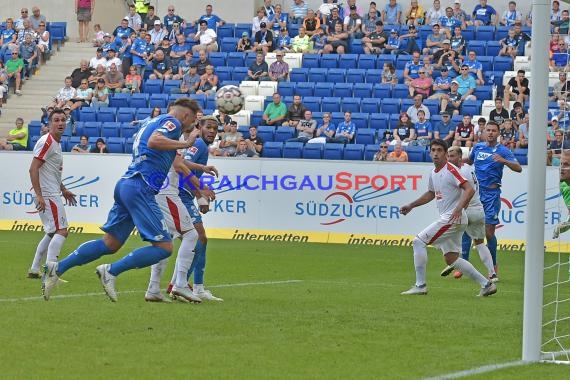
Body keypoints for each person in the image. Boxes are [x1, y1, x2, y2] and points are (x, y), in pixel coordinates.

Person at [41, 98, 202, 302]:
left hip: (127, 184)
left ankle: (57, 268)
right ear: (185, 115)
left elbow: (164, 151)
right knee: (164, 248)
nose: (192, 127)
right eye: (193, 121)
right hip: (141, 187)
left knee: (110, 243)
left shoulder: (152, 121)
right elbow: (154, 141)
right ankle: (111, 271)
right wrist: (187, 142)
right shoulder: (173, 123)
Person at [400, 139, 497, 297]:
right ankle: (486, 285)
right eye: (433, 150)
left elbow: (469, 189)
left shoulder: (450, 170)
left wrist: (458, 208)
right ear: (430, 152)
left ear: (445, 154)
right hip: (452, 218)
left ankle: (420, 285)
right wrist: (411, 205)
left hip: (453, 218)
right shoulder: (433, 172)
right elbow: (431, 193)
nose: (436, 153)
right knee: (451, 259)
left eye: (439, 150)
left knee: (418, 241)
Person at [147, 117, 217, 303]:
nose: (212, 131)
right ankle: (184, 285)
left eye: (215, 128)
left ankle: (158, 287)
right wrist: (201, 193)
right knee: (197, 237)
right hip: (176, 195)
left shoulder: (188, 142)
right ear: (197, 127)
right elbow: (181, 167)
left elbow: (182, 163)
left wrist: (202, 167)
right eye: (208, 127)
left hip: (168, 193)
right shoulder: (198, 144)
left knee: (166, 241)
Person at [466, 121, 522, 281]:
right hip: (475, 195)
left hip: (491, 194)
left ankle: (493, 267)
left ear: (498, 133)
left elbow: (518, 168)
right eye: (488, 130)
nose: (490, 133)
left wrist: (504, 161)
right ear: (484, 132)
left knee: (489, 232)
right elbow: (468, 162)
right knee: (466, 227)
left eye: (493, 130)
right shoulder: (477, 147)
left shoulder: (503, 151)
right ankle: (462, 264)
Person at [27, 109, 77, 279]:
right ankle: (50, 273)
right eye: (56, 120)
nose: (60, 123)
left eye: (63, 120)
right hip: (48, 195)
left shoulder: (55, 143)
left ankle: (35, 269)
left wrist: (63, 189)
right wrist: (40, 195)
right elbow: (33, 169)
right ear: (49, 124)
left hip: (51, 193)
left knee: (51, 232)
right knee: (62, 231)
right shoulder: (47, 142)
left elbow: (52, 171)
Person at [444, 146, 496, 280]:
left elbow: (466, 192)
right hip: (478, 211)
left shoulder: (460, 171)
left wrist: (460, 210)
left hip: (467, 210)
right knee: (479, 243)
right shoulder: (469, 168)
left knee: (448, 235)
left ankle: (454, 263)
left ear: (460, 157)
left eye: (453, 156)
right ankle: (492, 272)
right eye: (448, 156)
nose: (449, 159)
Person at [553, 150, 570, 239]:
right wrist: (564, 226)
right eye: (561, 164)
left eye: (566, 164)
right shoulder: (563, 185)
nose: (561, 168)